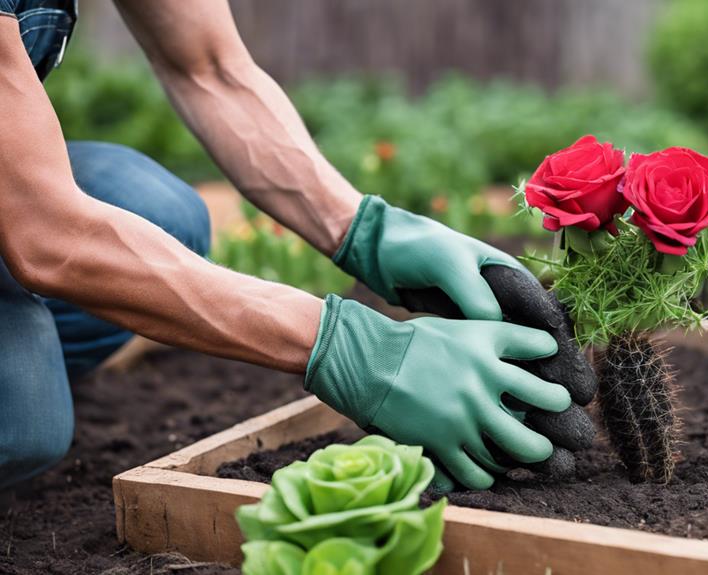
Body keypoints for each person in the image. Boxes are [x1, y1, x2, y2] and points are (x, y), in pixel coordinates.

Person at [0, 0, 588, 492]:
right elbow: (49, 234)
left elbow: (209, 67)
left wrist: (364, 231)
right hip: (34, 220)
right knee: (23, 422)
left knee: (159, 213)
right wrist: (352, 349)